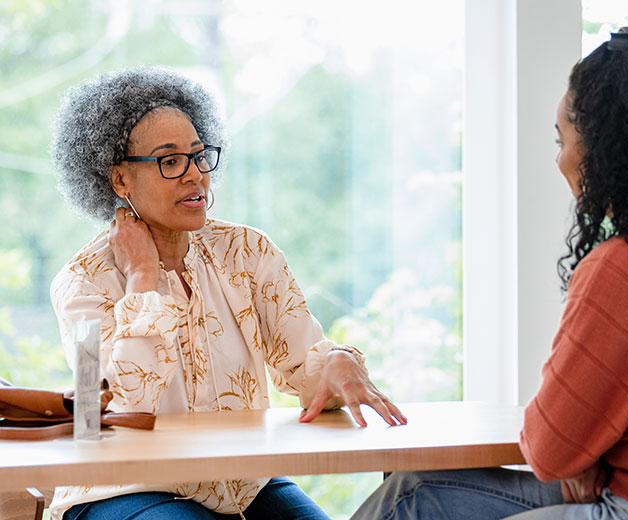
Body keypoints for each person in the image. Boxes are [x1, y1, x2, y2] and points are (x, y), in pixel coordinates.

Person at [351, 28, 628, 520]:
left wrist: (579, 451)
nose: (560, 159)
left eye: (563, 139)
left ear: (609, 149)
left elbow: (550, 449)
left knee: (411, 494)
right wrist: (586, 450)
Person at [48, 66, 406, 520]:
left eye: (200, 156)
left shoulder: (248, 251)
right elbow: (106, 415)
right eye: (170, 160)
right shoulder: (80, 282)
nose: (195, 175)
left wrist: (336, 365)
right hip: (125, 489)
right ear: (119, 180)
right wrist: (141, 277)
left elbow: (302, 366)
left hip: (244, 483)